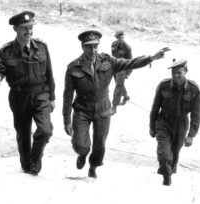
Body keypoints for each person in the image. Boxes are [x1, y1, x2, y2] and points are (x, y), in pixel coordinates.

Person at [63, 30, 169, 178]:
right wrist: (67, 120)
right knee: (80, 144)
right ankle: (83, 154)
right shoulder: (73, 67)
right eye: (89, 47)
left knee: (100, 145)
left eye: (95, 46)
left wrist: (150, 58)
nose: (93, 50)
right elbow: (67, 96)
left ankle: (93, 166)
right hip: (82, 109)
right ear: (82, 47)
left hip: (103, 109)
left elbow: (129, 62)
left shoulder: (108, 61)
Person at [0, 11, 56, 175]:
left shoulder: (42, 46)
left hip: (40, 94)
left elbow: (49, 73)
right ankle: (26, 163)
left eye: (31, 27)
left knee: (45, 130)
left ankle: (36, 159)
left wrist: (52, 97)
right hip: (19, 97)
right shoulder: (6, 51)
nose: (29, 31)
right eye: (25, 28)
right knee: (23, 134)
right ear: (15, 29)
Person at [149, 59, 200, 186]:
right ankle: (166, 175)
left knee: (175, 153)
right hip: (164, 122)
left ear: (185, 72)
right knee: (164, 154)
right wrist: (152, 126)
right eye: (173, 73)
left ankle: (169, 173)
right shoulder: (163, 85)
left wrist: (191, 135)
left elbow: (196, 114)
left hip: (181, 124)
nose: (176, 76)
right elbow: (155, 107)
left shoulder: (194, 89)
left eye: (179, 73)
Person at [110, 30, 132, 114]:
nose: (121, 39)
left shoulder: (128, 48)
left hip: (122, 69)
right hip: (114, 67)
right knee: (119, 84)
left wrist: (128, 73)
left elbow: (130, 62)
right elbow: (112, 57)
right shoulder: (113, 44)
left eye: (122, 38)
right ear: (116, 38)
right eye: (119, 38)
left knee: (118, 87)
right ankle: (126, 96)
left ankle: (114, 106)